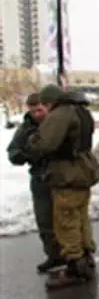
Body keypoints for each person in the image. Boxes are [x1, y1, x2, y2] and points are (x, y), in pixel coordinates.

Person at [26, 84, 99, 289]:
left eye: (46, 104)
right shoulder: (81, 110)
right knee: (81, 218)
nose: (46, 108)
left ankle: (75, 268)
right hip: (83, 171)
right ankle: (86, 259)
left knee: (66, 221)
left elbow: (45, 144)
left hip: (67, 174)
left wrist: (33, 139)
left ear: (51, 101)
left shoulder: (61, 113)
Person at [6, 93, 63, 273]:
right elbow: (13, 151)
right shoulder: (26, 128)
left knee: (66, 219)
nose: (37, 114)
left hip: (60, 176)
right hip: (39, 177)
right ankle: (54, 256)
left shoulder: (56, 123)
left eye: (39, 110)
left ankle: (75, 255)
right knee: (44, 220)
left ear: (46, 107)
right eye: (33, 111)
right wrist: (26, 155)